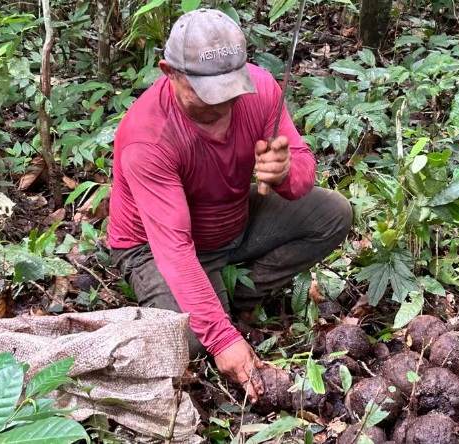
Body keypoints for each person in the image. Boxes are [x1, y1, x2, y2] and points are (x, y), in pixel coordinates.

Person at [108, 8, 352, 402]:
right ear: (168, 71)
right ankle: (211, 304)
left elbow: (304, 174)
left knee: (332, 213)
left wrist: (286, 171)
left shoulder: (261, 90)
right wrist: (221, 337)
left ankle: (230, 298)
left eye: (229, 90)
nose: (221, 107)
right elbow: (173, 249)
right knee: (190, 340)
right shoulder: (148, 138)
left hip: (234, 217)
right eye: (206, 94)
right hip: (153, 246)